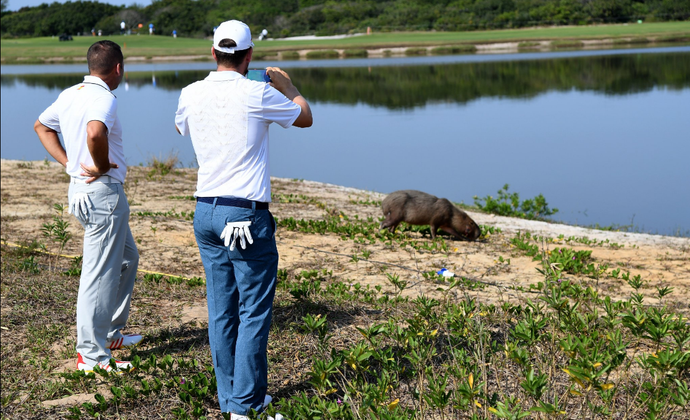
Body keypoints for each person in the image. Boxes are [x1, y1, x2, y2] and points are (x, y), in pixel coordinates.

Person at [174, 20, 312, 420]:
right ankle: (246, 406)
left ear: (213, 53)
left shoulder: (189, 93)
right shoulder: (258, 92)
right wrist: (288, 86)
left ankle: (231, 398)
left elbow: (182, 126)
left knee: (221, 308)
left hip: (206, 212)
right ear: (249, 56)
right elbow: (304, 118)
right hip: (245, 215)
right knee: (253, 309)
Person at [34, 40, 141, 374]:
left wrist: (69, 163)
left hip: (81, 191)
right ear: (118, 68)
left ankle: (109, 334)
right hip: (102, 194)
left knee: (127, 258)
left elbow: (41, 126)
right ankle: (91, 356)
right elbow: (95, 134)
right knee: (99, 275)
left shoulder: (71, 93)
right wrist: (102, 164)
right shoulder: (103, 98)